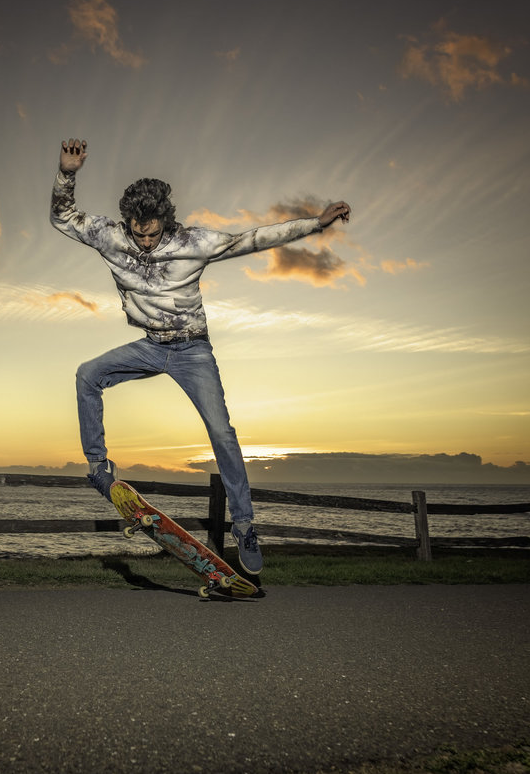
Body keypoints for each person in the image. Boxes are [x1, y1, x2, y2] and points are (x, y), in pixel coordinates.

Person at [49, 138, 350, 574]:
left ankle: (244, 525)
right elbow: (63, 216)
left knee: (222, 434)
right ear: (127, 224)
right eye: (139, 233)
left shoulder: (195, 242)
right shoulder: (110, 237)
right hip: (151, 347)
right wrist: (67, 173)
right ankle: (99, 468)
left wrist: (316, 224)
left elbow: (255, 239)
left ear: (165, 223)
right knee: (87, 375)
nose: (146, 242)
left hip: (192, 350)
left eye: (153, 233)